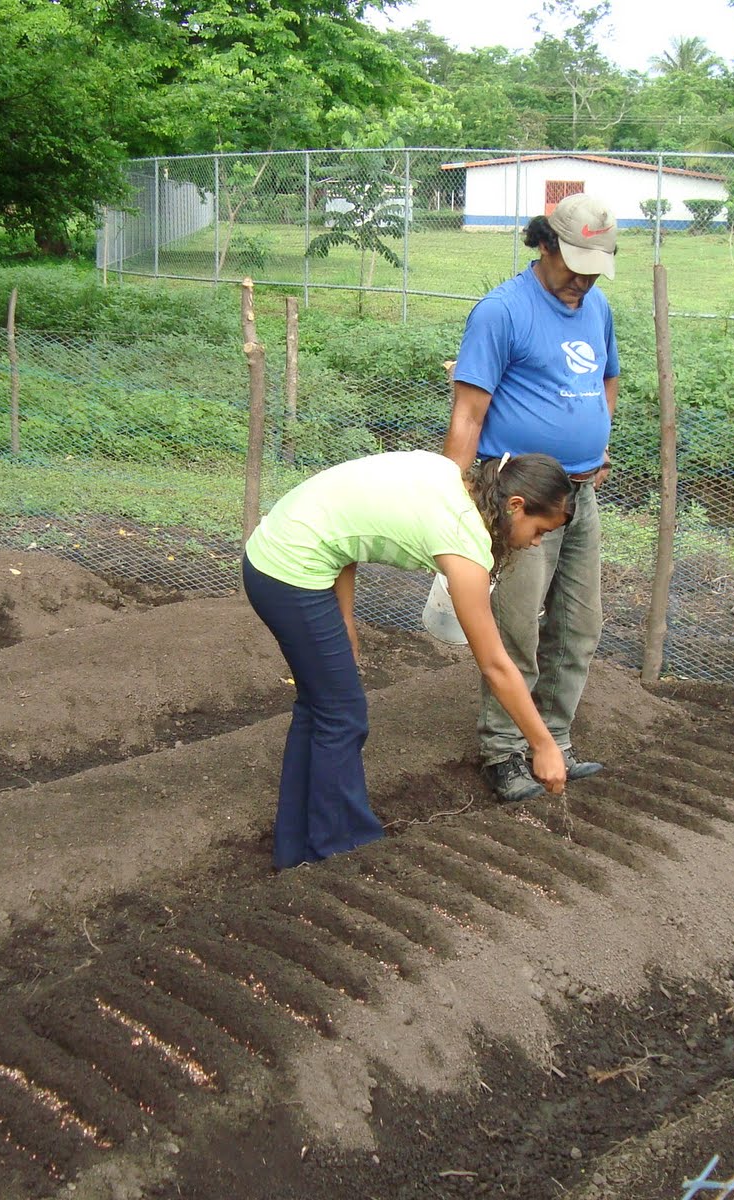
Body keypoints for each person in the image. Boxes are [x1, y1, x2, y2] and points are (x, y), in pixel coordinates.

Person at [243, 450, 575, 869]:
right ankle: (342, 851)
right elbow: (494, 664)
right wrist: (543, 745)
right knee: (341, 715)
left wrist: (345, 618)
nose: (536, 542)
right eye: (540, 529)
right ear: (515, 505)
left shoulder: (451, 477)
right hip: (289, 570)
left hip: (278, 551)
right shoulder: (463, 542)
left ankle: (295, 852)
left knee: (321, 709)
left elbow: (342, 520)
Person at [444, 192, 621, 804]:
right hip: (517, 497)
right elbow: (468, 415)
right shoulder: (501, 311)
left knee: (579, 624)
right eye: (574, 263)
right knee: (516, 626)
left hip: (577, 494)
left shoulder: (597, 306)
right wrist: (448, 502)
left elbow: (607, 377)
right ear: (544, 245)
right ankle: (504, 751)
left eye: (595, 266)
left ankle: (557, 737)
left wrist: (597, 443)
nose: (583, 278)